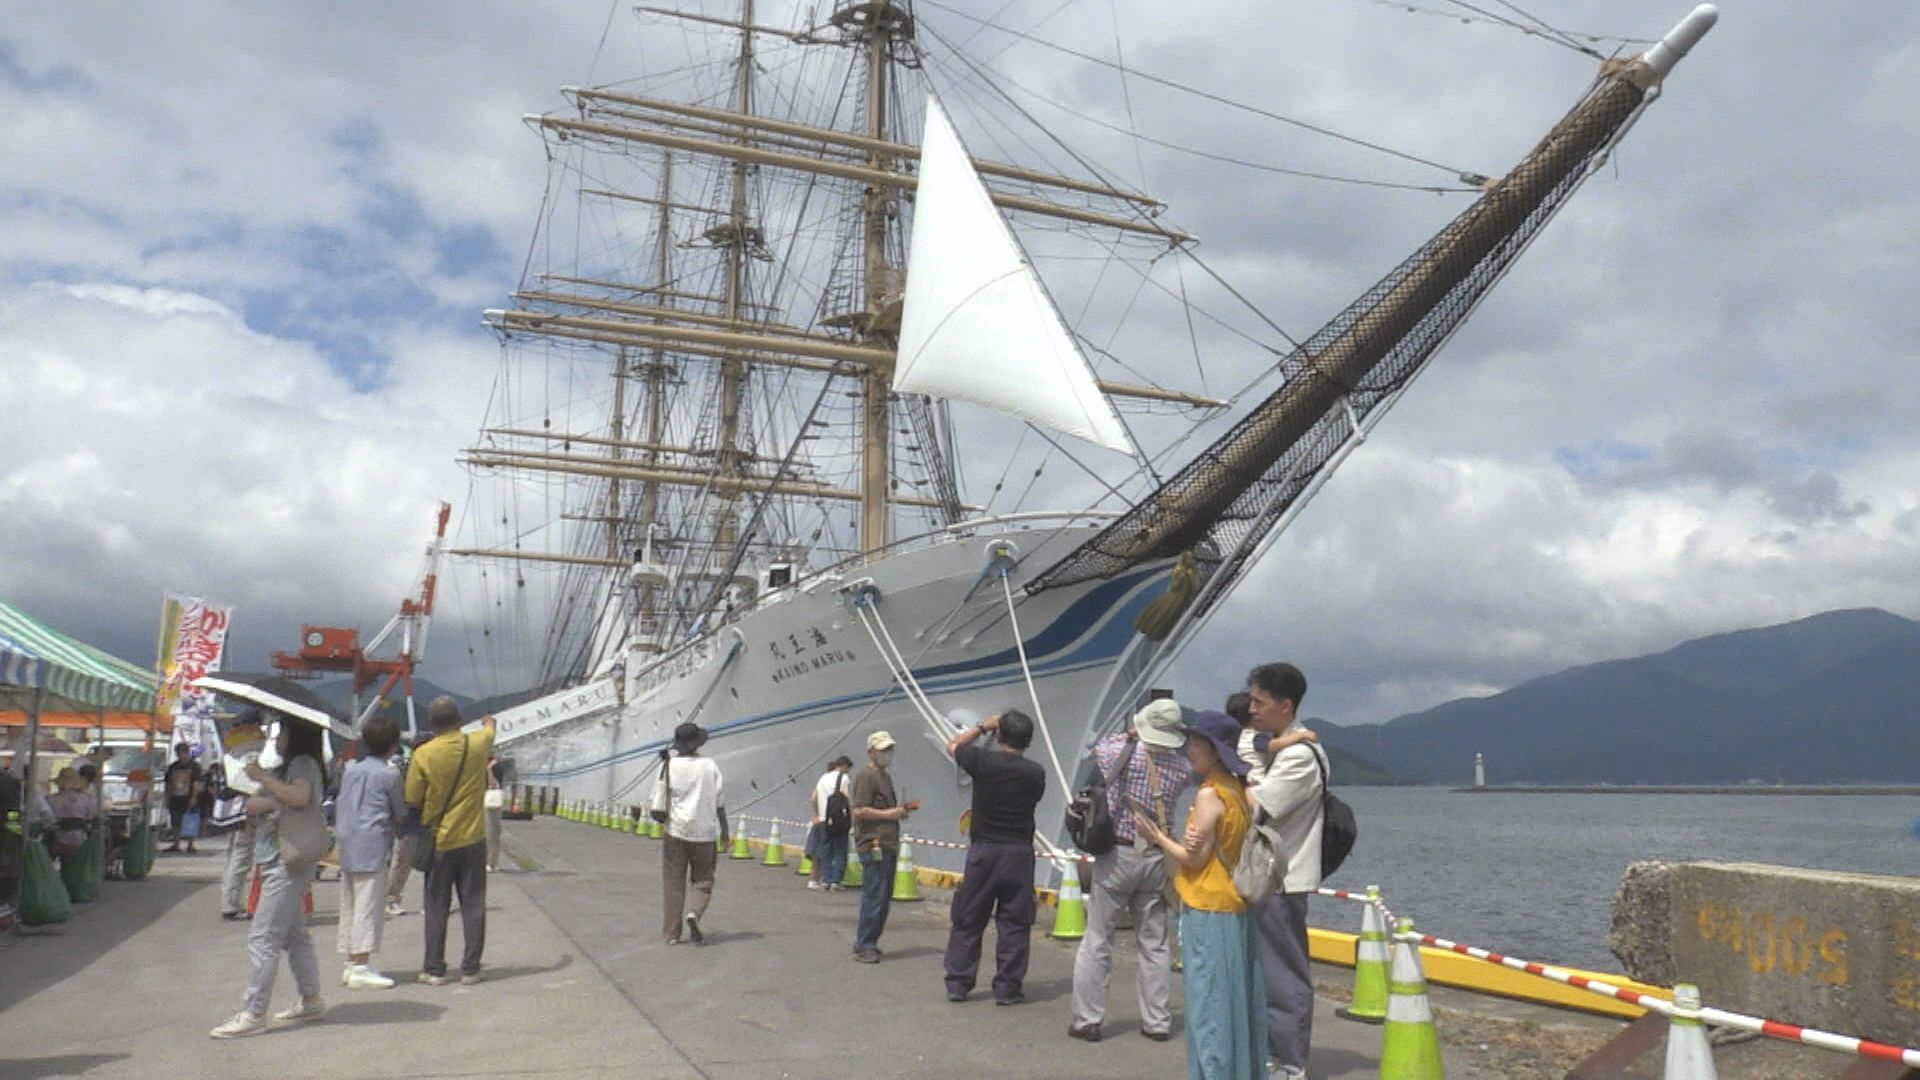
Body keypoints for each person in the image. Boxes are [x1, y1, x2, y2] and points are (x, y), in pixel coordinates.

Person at [1133, 710, 1266, 1079]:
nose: (1190, 750)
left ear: (1214, 749)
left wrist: (1157, 837)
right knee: (1237, 1000)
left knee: (1209, 1004)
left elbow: (1193, 857)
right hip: (1236, 903)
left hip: (1207, 907)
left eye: (1196, 743)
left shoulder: (1209, 794)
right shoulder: (1238, 790)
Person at [1068, 697, 1193, 1042]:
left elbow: (1098, 747)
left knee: (1098, 939)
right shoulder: (1182, 769)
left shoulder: (1124, 754)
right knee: (1154, 943)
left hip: (1119, 853)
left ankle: (1087, 1019)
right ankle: (1157, 1021)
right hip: (1157, 856)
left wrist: (1131, 731)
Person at [210, 718, 328, 1039]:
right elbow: (278, 801)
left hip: (284, 860)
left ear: (296, 734)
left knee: (263, 937)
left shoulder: (302, 763)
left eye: (283, 732)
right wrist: (260, 794)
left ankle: (254, 1012)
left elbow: (300, 797)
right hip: (278, 857)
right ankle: (311, 998)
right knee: (294, 934)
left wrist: (262, 778)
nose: (278, 738)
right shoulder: (293, 764)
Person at [1242, 662, 1326, 1080]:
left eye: (1259, 701)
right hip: (1268, 876)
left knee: (1282, 970)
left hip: (1282, 878)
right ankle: (1276, 1053)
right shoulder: (1276, 745)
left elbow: (1255, 807)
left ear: (1285, 705)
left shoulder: (1298, 757)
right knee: (1269, 967)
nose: (1252, 709)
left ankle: (1291, 1063)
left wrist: (1243, 773)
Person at [942, 711, 1046, 1005]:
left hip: (985, 851)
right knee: (1015, 922)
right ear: (1028, 740)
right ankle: (1008, 987)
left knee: (969, 917)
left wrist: (981, 726)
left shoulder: (983, 762)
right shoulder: (1035, 773)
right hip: (1019, 853)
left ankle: (959, 983)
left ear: (999, 735)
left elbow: (953, 745)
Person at [405, 697, 496, 985]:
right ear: (459, 721)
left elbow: (412, 798)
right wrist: (487, 721)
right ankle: (471, 968)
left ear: (433, 725)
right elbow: (491, 728)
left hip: (440, 842)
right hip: (473, 839)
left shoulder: (424, 755)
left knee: (436, 906)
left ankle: (434, 969)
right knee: (473, 904)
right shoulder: (478, 743)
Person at [335, 713, 407, 990]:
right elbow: (399, 811)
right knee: (368, 906)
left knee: (350, 904)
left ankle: (352, 961)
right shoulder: (390, 774)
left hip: (348, 839)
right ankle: (361, 965)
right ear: (392, 745)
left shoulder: (351, 768)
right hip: (373, 842)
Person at [650, 722, 724, 945]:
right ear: (698, 743)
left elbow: (657, 796)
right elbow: (720, 802)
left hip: (675, 831)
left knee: (673, 883)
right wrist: (726, 832)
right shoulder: (710, 765)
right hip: (705, 834)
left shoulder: (668, 765)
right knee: (703, 880)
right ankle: (694, 913)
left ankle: (671, 934)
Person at [850, 730, 918, 964]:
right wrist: (890, 813)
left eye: (889, 749)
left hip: (888, 843)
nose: (888, 754)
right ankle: (865, 944)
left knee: (883, 897)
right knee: (874, 896)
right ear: (871, 752)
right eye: (883, 750)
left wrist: (899, 812)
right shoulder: (865, 776)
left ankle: (869, 941)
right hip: (873, 843)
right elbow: (858, 810)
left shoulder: (885, 776)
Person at [218, 709, 266, 920]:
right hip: (250, 802)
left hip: (233, 802)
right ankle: (231, 904)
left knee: (233, 853)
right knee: (242, 854)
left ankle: (228, 899)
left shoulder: (231, 741)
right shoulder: (259, 744)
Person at [387, 733, 431, 918]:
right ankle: (391, 900)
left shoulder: (419, 767)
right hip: (410, 824)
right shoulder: (408, 769)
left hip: (422, 823)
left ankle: (429, 902)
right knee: (402, 864)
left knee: (428, 865)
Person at [806, 756, 853, 891]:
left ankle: (825, 880)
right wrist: (853, 816)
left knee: (826, 850)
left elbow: (813, 797)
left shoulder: (823, 778)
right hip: (838, 820)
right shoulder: (843, 778)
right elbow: (847, 797)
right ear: (844, 766)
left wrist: (816, 814)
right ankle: (835, 881)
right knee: (840, 850)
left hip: (823, 821)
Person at [45, 768, 95, 864]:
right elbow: (91, 817)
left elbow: (48, 819)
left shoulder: (51, 799)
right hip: (81, 841)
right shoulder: (88, 799)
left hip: (57, 841)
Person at [163, 743, 203, 854]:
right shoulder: (173, 767)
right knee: (175, 822)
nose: (181, 755)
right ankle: (176, 844)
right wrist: (167, 797)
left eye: (182, 752)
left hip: (189, 797)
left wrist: (194, 797)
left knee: (191, 821)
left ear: (187, 752)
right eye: (179, 752)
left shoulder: (195, 766)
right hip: (175, 798)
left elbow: (196, 783)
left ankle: (190, 845)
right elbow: (168, 784)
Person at [483, 754, 504, 872]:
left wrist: (488, 770)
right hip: (491, 802)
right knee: (491, 833)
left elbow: (493, 784)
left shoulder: (493, 767)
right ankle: (492, 862)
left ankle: (491, 862)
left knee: (491, 832)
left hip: (492, 802)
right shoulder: (494, 765)